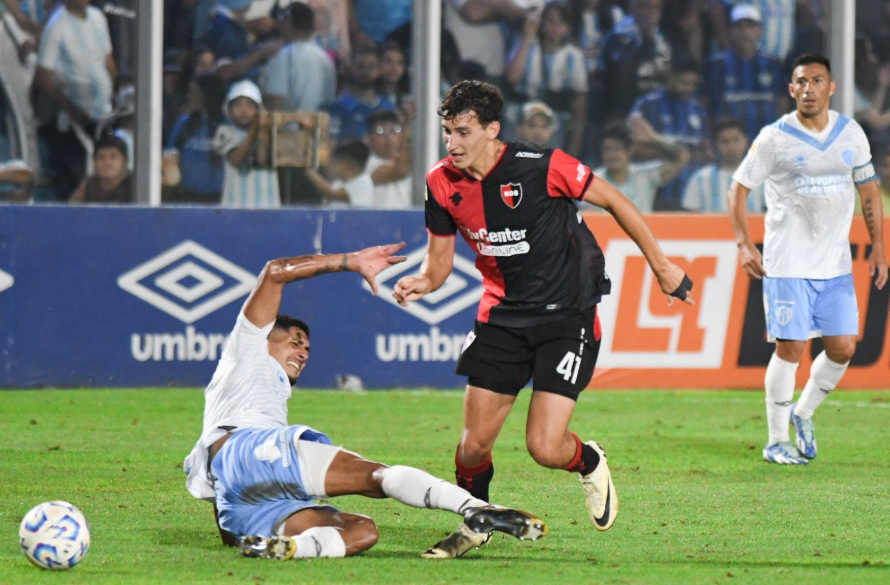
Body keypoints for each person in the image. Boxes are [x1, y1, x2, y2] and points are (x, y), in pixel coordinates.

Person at [393, 80, 693, 533]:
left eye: (463, 132)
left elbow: (614, 199)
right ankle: (478, 519)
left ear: (492, 130)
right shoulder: (440, 182)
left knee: (545, 448)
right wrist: (422, 282)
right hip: (502, 316)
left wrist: (663, 266)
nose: (452, 143)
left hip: (566, 315)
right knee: (472, 448)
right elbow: (438, 265)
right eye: (447, 132)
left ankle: (590, 460)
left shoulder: (543, 165)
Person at [182, 242, 549, 561]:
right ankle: (476, 508)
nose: (303, 352)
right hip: (251, 449)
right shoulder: (246, 348)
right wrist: (352, 260)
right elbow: (274, 272)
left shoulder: (253, 392)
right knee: (376, 477)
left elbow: (224, 478)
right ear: (263, 336)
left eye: (307, 348)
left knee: (361, 531)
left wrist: (232, 524)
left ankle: (292, 548)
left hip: (238, 493)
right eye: (294, 341)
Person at [728, 53, 888, 465]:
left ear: (831, 88)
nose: (809, 88)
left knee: (843, 348)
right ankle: (775, 441)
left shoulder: (851, 134)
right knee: (792, 347)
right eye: (801, 81)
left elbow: (869, 191)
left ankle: (803, 413)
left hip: (834, 264)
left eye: (817, 81)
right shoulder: (775, 138)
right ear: (791, 89)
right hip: (787, 263)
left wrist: (880, 248)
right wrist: (745, 245)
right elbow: (739, 188)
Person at [34, 0, 116, 201]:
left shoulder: (98, 17)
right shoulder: (56, 27)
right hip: (77, 122)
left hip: (105, 115)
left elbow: (108, 59)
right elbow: (43, 77)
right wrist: (72, 110)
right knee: (80, 181)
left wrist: (112, 88)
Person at [703, 5, 785, 143]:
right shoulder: (716, 65)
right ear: (730, 32)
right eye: (739, 27)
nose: (745, 32)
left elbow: (782, 104)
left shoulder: (773, 64)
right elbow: (706, 105)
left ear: (760, 31)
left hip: (766, 144)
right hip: (728, 147)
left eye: (750, 27)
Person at [582, 120, 690, 214]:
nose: (612, 154)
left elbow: (682, 157)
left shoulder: (646, 176)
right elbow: (587, 217)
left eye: (617, 148)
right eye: (607, 149)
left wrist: (654, 139)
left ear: (630, 151)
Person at [214, 80, 281, 208]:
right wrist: (255, 129)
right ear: (229, 109)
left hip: (267, 207)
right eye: (238, 105)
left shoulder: (271, 134)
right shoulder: (224, 132)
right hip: (235, 208)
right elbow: (236, 159)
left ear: (258, 109)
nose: (244, 110)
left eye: (250, 106)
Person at [260, 2, 336, 112]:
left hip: (290, 126)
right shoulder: (325, 58)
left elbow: (275, 101)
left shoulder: (283, 56)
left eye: (282, 19)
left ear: (288, 21)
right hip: (319, 125)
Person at [683, 117, 764, 213]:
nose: (731, 146)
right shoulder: (700, 178)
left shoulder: (762, 178)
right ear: (716, 145)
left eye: (736, 140)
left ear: (746, 141)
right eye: (725, 141)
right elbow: (691, 218)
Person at [365, 109, 412, 209]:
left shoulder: (405, 161)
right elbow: (399, 171)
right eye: (380, 132)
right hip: (381, 220)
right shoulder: (368, 166)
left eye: (394, 131)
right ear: (369, 139)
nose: (389, 137)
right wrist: (406, 130)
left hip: (406, 220)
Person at [305, 140, 374, 207]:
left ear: (345, 165)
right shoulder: (339, 182)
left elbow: (332, 194)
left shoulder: (363, 182)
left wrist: (309, 170)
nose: (329, 166)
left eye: (334, 163)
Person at [69, 133, 132, 203]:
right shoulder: (88, 186)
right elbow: (70, 210)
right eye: (101, 157)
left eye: (113, 157)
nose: (107, 162)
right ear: (94, 162)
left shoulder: (135, 185)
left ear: (126, 161)